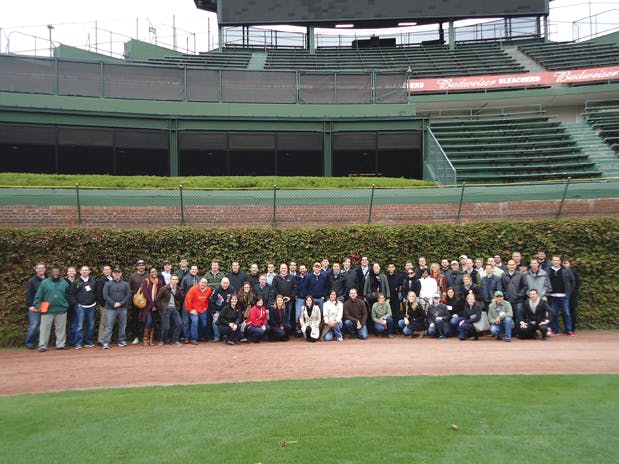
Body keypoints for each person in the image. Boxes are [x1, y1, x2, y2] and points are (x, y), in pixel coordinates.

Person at [33, 267, 70, 352]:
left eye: (57, 272)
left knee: (61, 329)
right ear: (51, 273)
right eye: (54, 273)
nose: (55, 274)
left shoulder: (64, 283)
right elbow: (39, 295)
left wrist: (66, 305)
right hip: (47, 310)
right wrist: (37, 305)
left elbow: (68, 295)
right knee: (44, 329)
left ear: (60, 273)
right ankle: (42, 345)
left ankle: (60, 344)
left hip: (61, 310)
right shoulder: (44, 283)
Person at [102, 267, 131, 349]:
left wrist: (121, 303)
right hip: (110, 308)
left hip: (123, 308)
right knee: (109, 326)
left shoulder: (126, 284)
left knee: (122, 325)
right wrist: (113, 303)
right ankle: (106, 342)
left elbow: (128, 295)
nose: (117, 274)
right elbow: (105, 296)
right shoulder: (108, 284)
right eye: (115, 273)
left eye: (118, 272)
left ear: (121, 274)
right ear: (112, 274)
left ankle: (122, 341)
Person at [69, 265, 98, 349]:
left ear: (89, 271)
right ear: (80, 272)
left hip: (91, 306)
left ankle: (88, 342)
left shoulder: (93, 281)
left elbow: (96, 292)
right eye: (83, 270)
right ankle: (78, 343)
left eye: (86, 270)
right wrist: (76, 304)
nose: (84, 272)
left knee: (91, 325)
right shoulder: (76, 282)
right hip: (80, 307)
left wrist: (94, 301)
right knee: (79, 326)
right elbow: (71, 294)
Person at [547, 255, 576, 336]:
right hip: (552, 296)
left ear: (560, 261)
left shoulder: (566, 270)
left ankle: (569, 330)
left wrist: (569, 292)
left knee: (566, 313)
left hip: (564, 296)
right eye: (554, 260)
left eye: (557, 260)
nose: (556, 262)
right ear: (552, 262)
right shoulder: (548, 271)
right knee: (554, 313)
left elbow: (572, 281)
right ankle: (555, 330)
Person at [155, 274, 183, 346]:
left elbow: (180, 299)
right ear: (170, 280)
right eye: (173, 279)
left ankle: (175, 340)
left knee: (179, 324)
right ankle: (162, 340)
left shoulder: (179, 289)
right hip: (165, 309)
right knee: (166, 327)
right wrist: (161, 308)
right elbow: (157, 299)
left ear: (178, 281)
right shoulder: (164, 288)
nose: (174, 281)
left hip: (174, 308)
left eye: (176, 279)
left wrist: (177, 307)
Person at [139, 267, 164, 347]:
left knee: (153, 322)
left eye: (155, 271)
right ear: (149, 273)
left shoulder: (159, 282)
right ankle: (145, 339)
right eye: (152, 271)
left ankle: (151, 340)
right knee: (149, 321)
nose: (154, 273)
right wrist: (152, 304)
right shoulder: (146, 281)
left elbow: (160, 294)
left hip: (156, 306)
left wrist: (156, 305)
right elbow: (145, 293)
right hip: (147, 306)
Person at [25, 262, 47, 349]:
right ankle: (30, 343)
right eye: (39, 268)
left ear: (45, 269)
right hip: (35, 306)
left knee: (42, 327)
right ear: (36, 269)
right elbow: (29, 294)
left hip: (46, 306)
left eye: (42, 268)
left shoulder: (49, 279)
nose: (41, 269)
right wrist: (30, 305)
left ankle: (41, 343)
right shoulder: (32, 280)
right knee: (34, 326)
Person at [184, 278, 212, 345]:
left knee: (204, 323)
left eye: (205, 283)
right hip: (194, 309)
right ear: (199, 283)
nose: (203, 284)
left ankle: (200, 337)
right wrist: (191, 310)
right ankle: (194, 338)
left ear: (207, 284)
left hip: (203, 309)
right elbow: (187, 300)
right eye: (202, 282)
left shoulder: (209, 290)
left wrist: (206, 307)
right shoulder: (193, 289)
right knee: (195, 321)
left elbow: (208, 300)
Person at [501, 259, 526, 333]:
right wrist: (505, 295)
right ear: (507, 266)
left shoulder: (521, 274)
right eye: (510, 264)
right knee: (508, 317)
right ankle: (509, 332)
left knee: (518, 316)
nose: (511, 266)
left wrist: (519, 295)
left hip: (518, 300)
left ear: (515, 265)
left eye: (513, 264)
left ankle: (517, 332)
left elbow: (525, 286)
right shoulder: (504, 274)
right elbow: (502, 287)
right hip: (507, 300)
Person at [128, 259, 148, 344]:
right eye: (139, 265)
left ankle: (144, 337)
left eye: (142, 265)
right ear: (137, 267)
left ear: (145, 266)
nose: (141, 266)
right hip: (135, 301)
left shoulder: (148, 275)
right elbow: (129, 289)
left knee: (145, 319)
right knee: (135, 319)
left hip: (146, 301)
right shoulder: (132, 276)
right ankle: (135, 337)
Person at [209, 277, 235, 342]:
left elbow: (234, 300)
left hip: (227, 311)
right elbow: (211, 301)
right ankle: (217, 337)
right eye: (224, 283)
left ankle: (226, 336)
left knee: (229, 321)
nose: (225, 285)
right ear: (221, 283)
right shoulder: (216, 290)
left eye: (226, 283)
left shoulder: (232, 289)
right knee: (215, 321)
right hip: (218, 310)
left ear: (229, 283)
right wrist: (214, 313)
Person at [180, 265, 201, 342]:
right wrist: (186, 299)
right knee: (185, 321)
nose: (194, 271)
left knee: (195, 321)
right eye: (192, 269)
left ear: (197, 270)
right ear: (190, 270)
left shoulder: (200, 279)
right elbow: (182, 290)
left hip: (196, 304)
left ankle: (194, 338)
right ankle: (186, 337)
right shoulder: (185, 278)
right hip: (187, 303)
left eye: (195, 269)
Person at [272, 263, 296, 330]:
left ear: (287, 269)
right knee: (279, 316)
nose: (283, 269)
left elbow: (295, 288)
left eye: (285, 268)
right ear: (280, 269)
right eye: (282, 268)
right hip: (279, 302)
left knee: (288, 317)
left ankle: (287, 331)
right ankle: (280, 330)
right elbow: (274, 288)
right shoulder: (276, 278)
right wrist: (280, 298)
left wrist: (290, 297)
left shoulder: (292, 277)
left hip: (289, 301)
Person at [96, 265, 113, 345]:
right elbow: (99, 294)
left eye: (108, 269)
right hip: (105, 305)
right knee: (104, 323)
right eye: (105, 270)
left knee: (110, 323)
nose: (107, 271)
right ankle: (101, 339)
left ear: (111, 271)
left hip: (113, 305)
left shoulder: (113, 279)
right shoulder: (101, 281)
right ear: (103, 271)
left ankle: (108, 338)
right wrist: (102, 304)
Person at [563, 259, 580, 331]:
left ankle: (572, 328)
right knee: (565, 312)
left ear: (569, 264)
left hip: (572, 296)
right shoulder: (562, 272)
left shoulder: (573, 272)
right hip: (564, 295)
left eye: (567, 263)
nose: (565, 264)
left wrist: (572, 290)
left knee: (571, 311)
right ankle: (566, 328)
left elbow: (577, 283)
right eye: (564, 263)